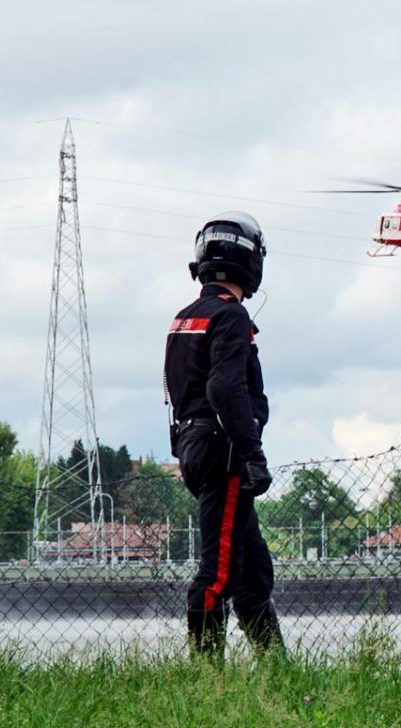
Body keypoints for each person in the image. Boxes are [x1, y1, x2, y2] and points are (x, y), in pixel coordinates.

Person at [164, 211, 282, 659]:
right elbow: (224, 386)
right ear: (250, 262)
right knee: (217, 574)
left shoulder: (185, 318)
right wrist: (252, 453)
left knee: (253, 572)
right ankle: (206, 676)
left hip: (194, 448)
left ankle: (279, 671)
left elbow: (182, 389)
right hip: (225, 450)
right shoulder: (231, 317)